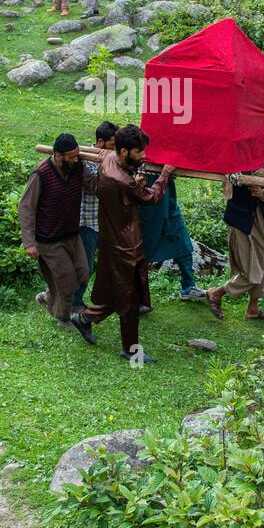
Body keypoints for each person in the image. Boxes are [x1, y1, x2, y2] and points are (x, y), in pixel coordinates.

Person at [69, 125, 175, 365]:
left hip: (113, 238)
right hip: (125, 245)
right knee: (129, 300)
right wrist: (165, 175)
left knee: (122, 292)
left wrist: (136, 180)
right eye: (139, 152)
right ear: (125, 150)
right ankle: (130, 350)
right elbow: (150, 197)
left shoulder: (109, 158)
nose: (144, 156)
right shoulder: (121, 180)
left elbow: (131, 189)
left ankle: (85, 319)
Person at [207, 123, 264, 321]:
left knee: (262, 265)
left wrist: (263, 193)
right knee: (250, 273)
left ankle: (253, 309)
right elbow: (228, 180)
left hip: (261, 218)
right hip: (240, 219)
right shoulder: (239, 158)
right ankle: (216, 292)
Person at [19, 133, 91, 327]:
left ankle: (48, 296)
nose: (76, 159)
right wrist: (29, 243)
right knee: (67, 281)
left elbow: (94, 185)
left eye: (78, 155)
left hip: (72, 235)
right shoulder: (41, 173)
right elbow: (26, 207)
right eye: (72, 156)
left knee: (83, 273)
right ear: (58, 156)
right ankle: (62, 318)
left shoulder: (77, 168)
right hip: (49, 240)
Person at [137, 166, 207, 309]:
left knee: (182, 240)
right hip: (149, 186)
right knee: (144, 248)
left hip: (167, 189)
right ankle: (137, 297)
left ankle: (188, 287)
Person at [73, 121, 117, 312]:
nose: (115, 149)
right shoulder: (85, 160)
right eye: (112, 145)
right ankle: (74, 303)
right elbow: (95, 187)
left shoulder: (110, 159)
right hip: (86, 221)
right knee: (85, 266)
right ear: (100, 142)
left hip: (103, 221)